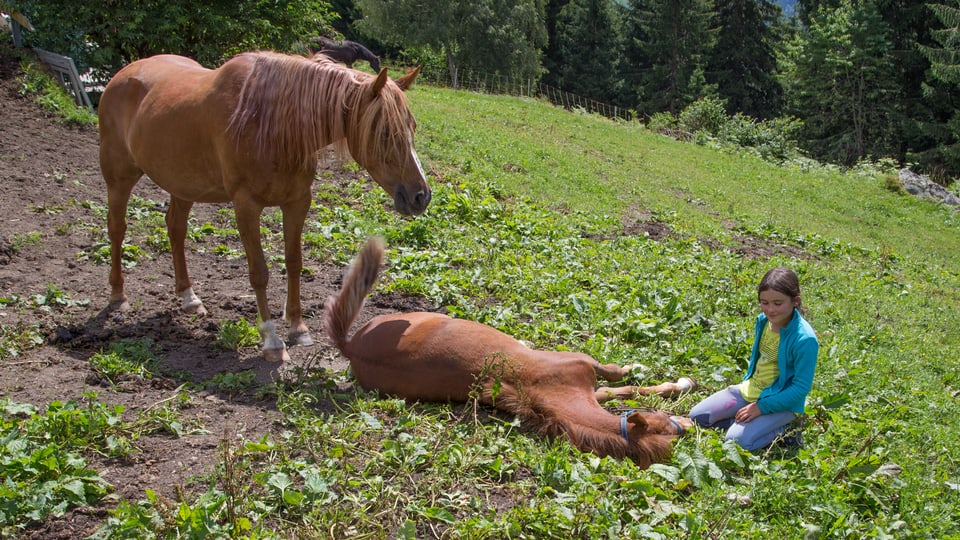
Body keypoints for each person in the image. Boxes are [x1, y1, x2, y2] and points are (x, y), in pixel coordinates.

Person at [688, 266, 818, 451]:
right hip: (751, 390)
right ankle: (745, 425)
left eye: (778, 303)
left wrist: (761, 408)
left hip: (782, 402)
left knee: (735, 443)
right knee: (698, 417)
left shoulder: (804, 339)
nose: (770, 310)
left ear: (795, 301)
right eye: (764, 302)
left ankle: (787, 427)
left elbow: (800, 388)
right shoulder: (763, 321)